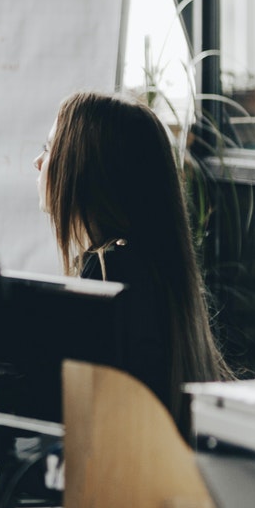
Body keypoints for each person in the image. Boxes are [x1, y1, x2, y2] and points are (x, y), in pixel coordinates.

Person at [36, 91, 228, 430]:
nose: (39, 162)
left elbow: (63, 413)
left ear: (82, 167)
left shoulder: (109, 276)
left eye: (50, 148)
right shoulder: (144, 265)